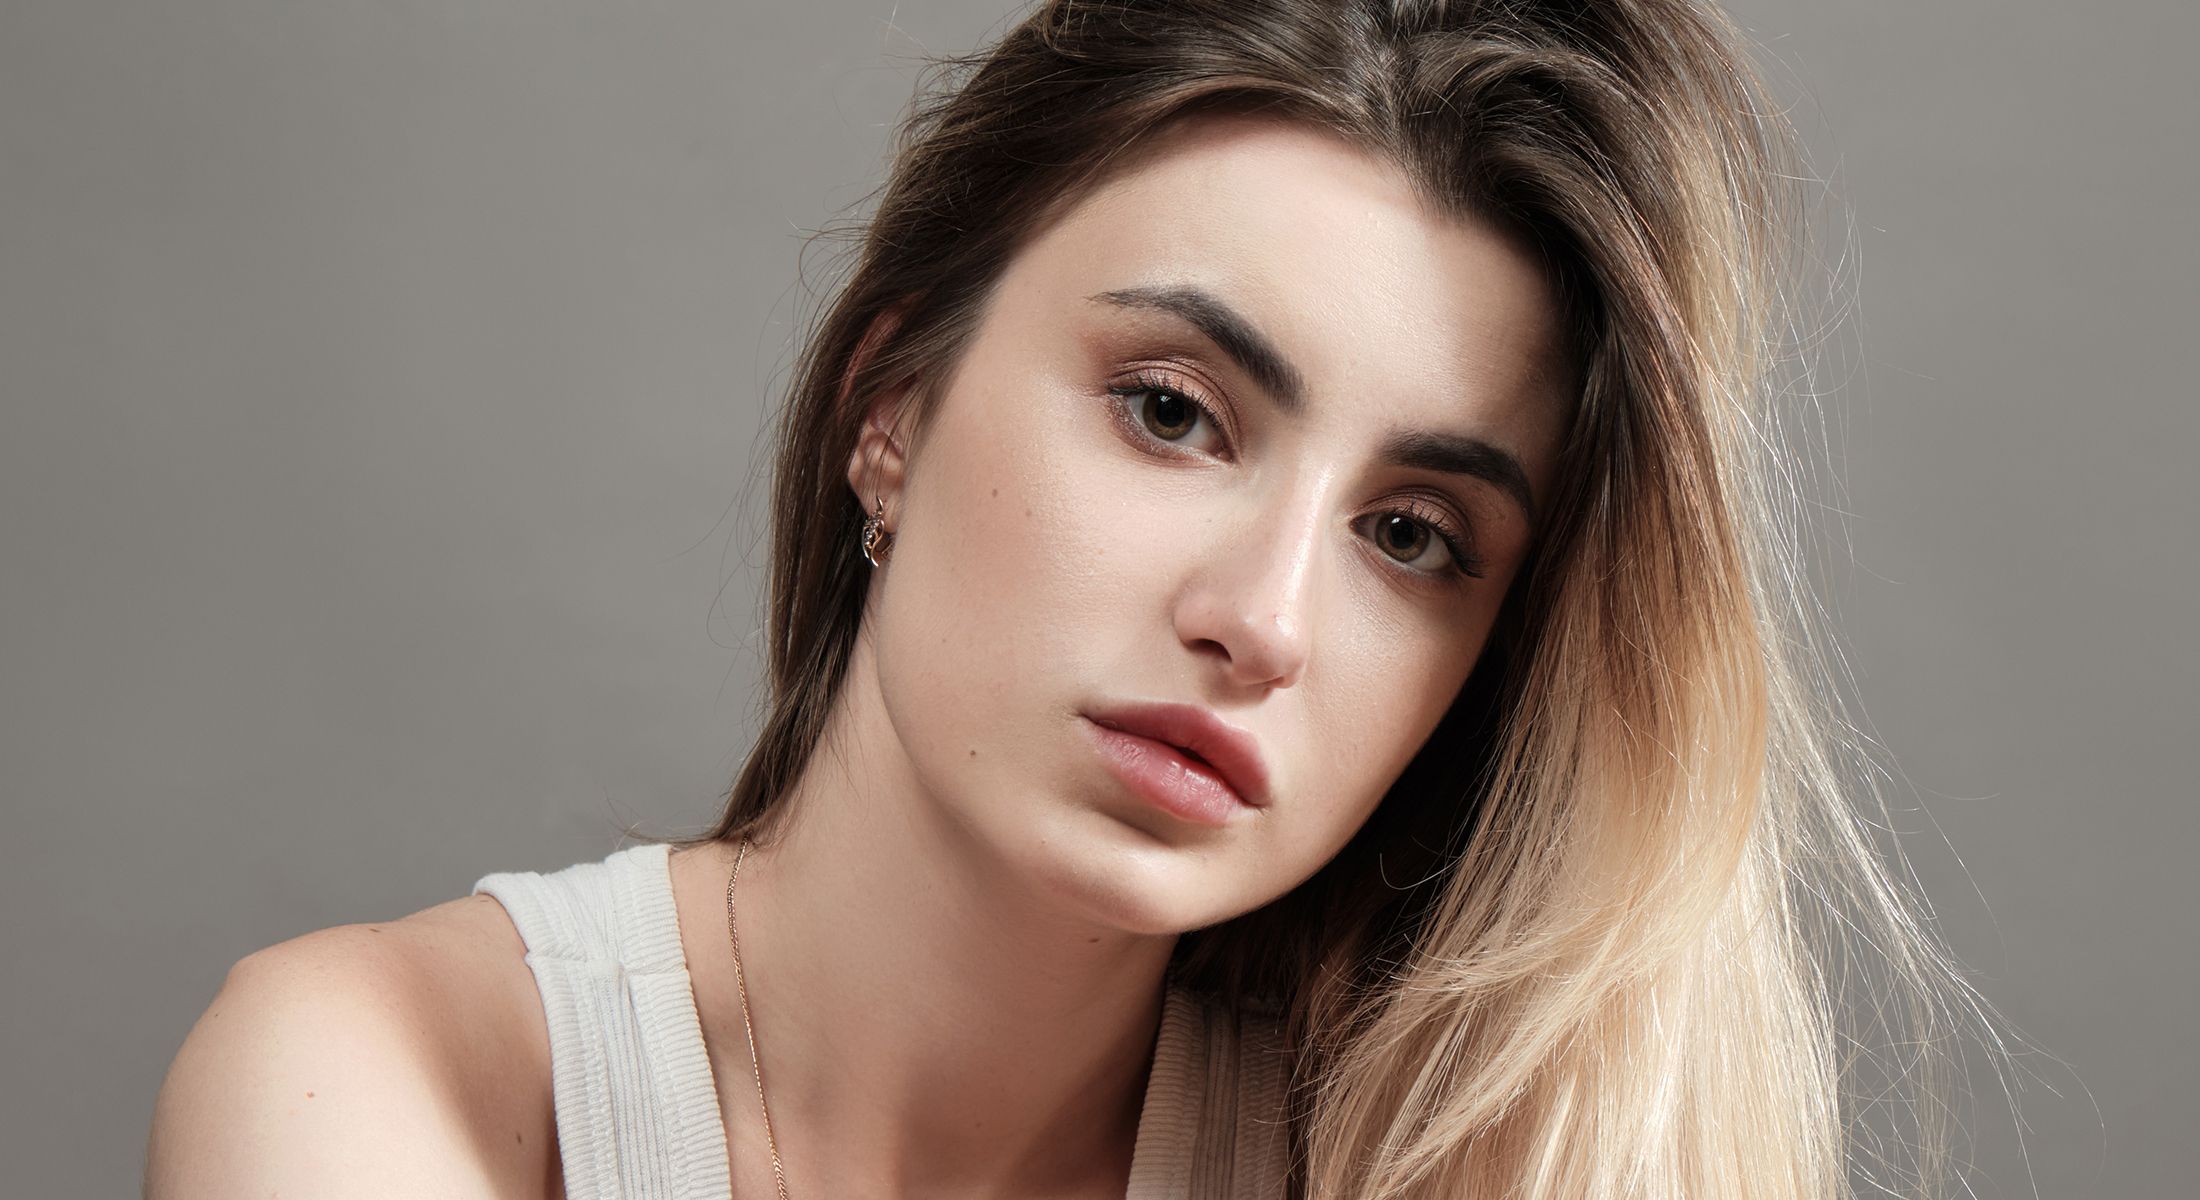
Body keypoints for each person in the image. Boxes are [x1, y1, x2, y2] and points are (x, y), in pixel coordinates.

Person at [146, 1, 1994, 1197]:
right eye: (1175, 412)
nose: (1264, 621)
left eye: (1414, 534)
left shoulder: (1454, 1163)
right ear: (891, 408)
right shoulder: (375, 1093)